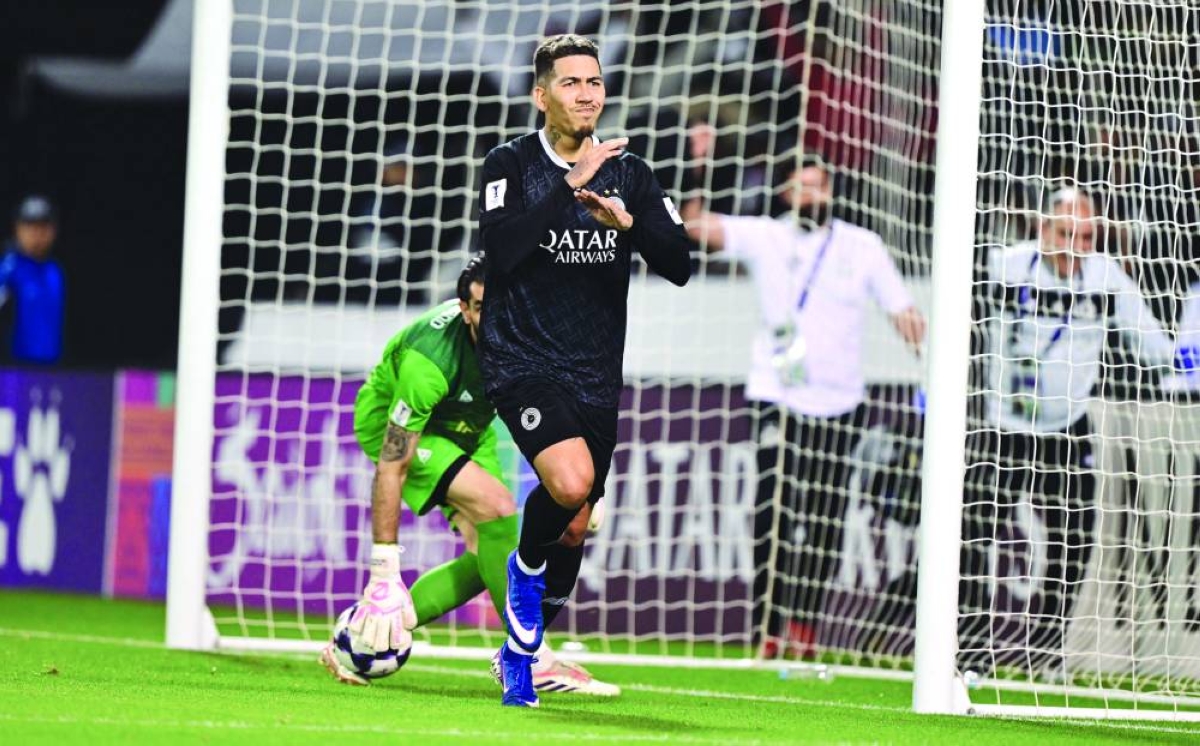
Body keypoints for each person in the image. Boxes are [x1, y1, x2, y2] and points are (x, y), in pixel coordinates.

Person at [476, 34, 691, 707]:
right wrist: (569, 185)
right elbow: (502, 251)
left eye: (595, 82)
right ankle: (523, 572)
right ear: (542, 95)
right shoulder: (509, 162)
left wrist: (627, 223)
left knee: (574, 520)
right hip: (522, 359)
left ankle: (520, 653)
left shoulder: (630, 172)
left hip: (596, 372)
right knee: (569, 483)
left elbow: (679, 264)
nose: (588, 93)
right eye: (572, 83)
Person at [321, 254, 618, 695]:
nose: (492, 317)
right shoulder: (430, 362)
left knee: (497, 552)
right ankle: (529, 657)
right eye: (480, 307)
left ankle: (364, 638)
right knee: (497, 506)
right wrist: (384, 569)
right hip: (400, 428)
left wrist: (588, 482)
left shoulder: (530, 333)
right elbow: (392, 462)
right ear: (465, 309)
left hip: (470, 428)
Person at [684, 153, 926, 660]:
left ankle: (805, 627)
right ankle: (767, 627)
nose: (810, 196)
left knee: (825, 520)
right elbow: (694, 225)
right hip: (777, 395)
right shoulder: (764, 235)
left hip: (841, 402)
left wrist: (927, 354)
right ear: (785, 193)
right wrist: (702, 165)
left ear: (831, 189)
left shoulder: (863, 246)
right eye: (801, 187)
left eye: (818, 186)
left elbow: (902, 309)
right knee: (772, 510)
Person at [960, 187, 1178, 679]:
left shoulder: (1104, 276)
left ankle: (1048, 650)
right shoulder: (1004, 266)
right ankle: (969, 652)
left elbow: (1150, 342)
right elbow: (957, 311)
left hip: (1066, 427)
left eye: (1085, 236)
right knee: (974, 537)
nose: (1075, 245)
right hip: (1002, 427)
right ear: (1043, 230)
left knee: (1074, 539)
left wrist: (1180, 361)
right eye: (1065, 234)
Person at [0, 195, 66, 365]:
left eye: (43, 227)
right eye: (30, 226)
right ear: (18, 229)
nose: (37, 234)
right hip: (15, 370)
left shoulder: (55, 271)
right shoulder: (9, 269)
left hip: (54, 369)